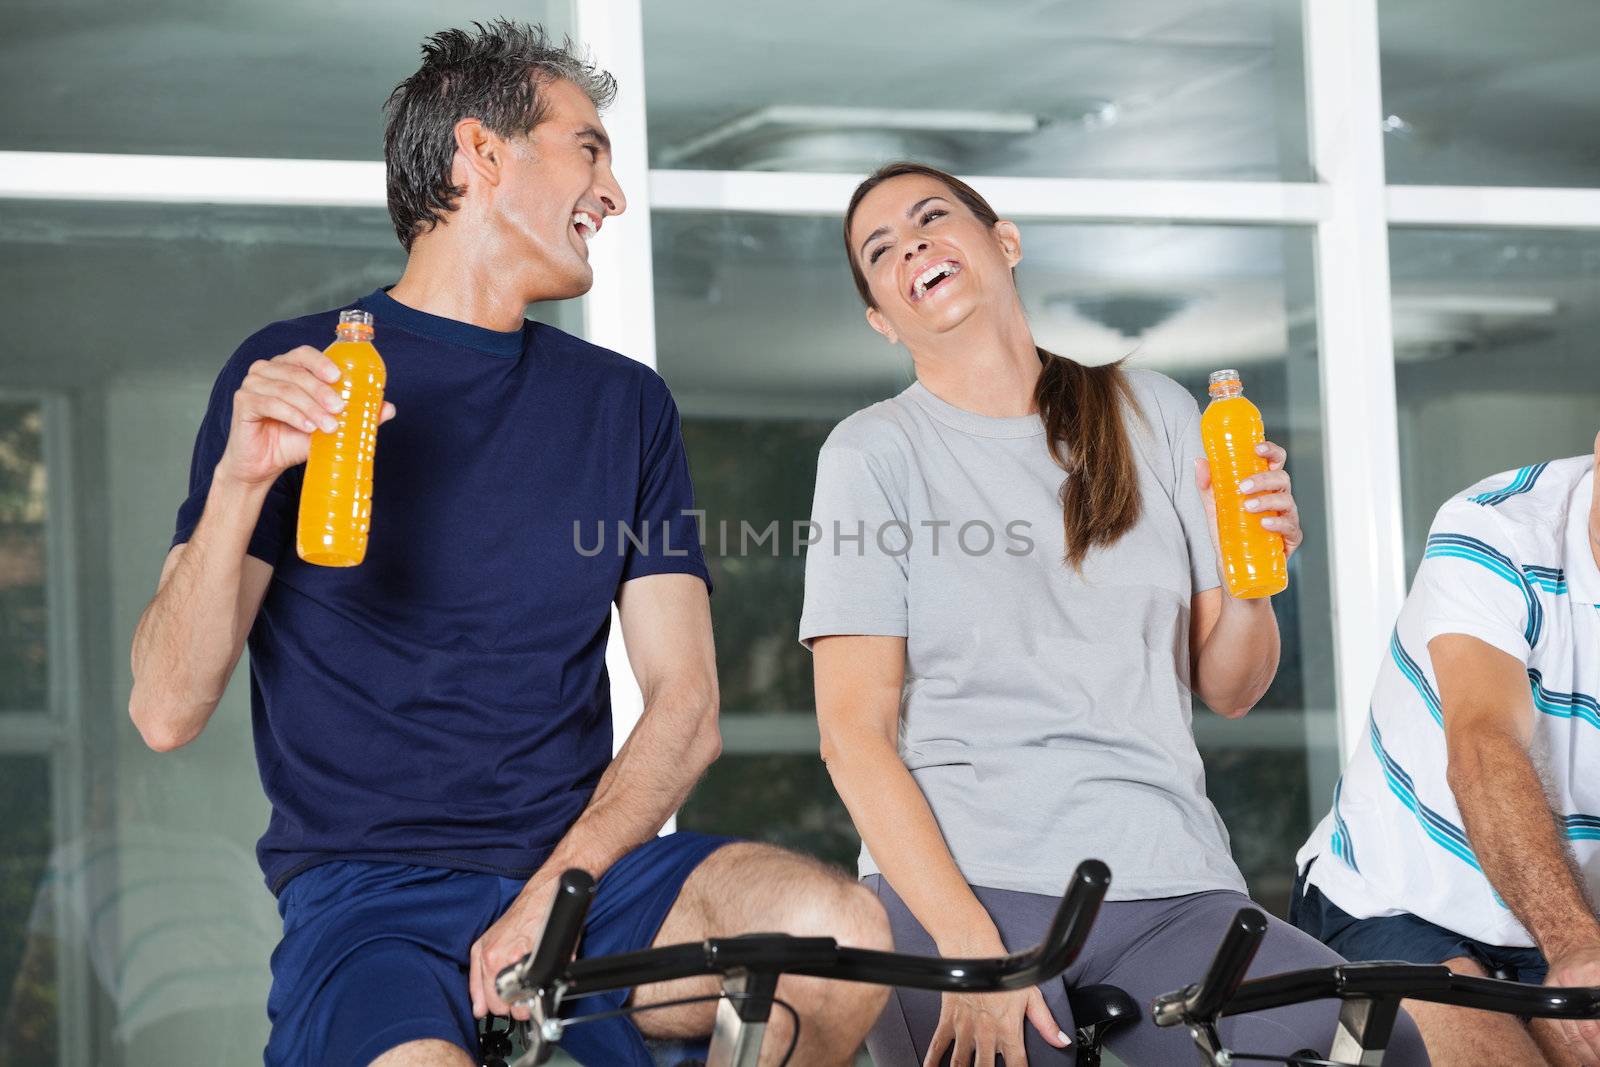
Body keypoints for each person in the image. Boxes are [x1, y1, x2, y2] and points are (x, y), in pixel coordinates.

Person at [126, 21, 889, 1067]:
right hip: (371, 898)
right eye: (589, 148)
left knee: (834, 937)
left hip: (589, 880)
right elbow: (166, 706)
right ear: (482, 154)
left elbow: (688, 703)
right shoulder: (298, 371)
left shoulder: (623, 406)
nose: (613, 194)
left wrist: (554, 892)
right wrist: (240, 481)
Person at [800, 161, 1431, 1067]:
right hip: (964, 886)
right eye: (882, 249)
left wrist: (1255, 573)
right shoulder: (871, 454)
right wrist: (971, 948)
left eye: (933, 218)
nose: (914, 248)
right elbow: (851, 734)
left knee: (1370, 1043)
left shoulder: (1157, 414)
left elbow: (1233, 685)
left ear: (1003, 242)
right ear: (880, 316)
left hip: (1171, 880)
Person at [1293, 437, 1600, 1067]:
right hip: (1393, 899)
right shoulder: (1496, 527)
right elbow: (1484, 747)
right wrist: (1574, 944)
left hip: (1577, 914)